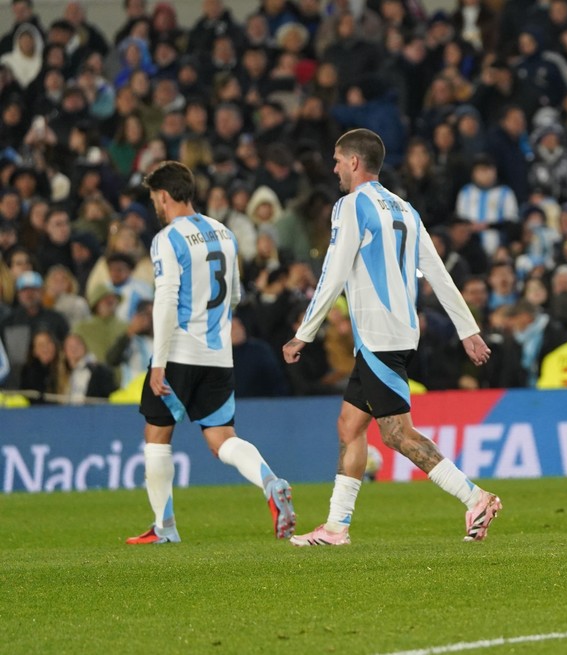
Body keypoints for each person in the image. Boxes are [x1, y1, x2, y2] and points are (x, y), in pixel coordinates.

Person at [282, 129, 497, 547]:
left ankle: (476, 498)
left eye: (338, 160)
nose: (334, 168)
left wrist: (303, 333)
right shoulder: (405, 209)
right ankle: (336, 527)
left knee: (397, 434)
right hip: (398, 332)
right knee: (349, 425)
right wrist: (467, 329)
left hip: (379, 334)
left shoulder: (349, 206)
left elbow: (333, 272)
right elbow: (438, 272)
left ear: (355, 163)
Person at [130, 161, 297, 545]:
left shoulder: (167, 238)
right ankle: (270, 481)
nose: (156, 204)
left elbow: (166, 300)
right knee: (223, 437)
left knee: (157, 436)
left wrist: (158, 362)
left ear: (165, 196)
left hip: (179, 353)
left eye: (155, 197)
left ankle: (164, 527)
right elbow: (235, 294)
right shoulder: (223, 232)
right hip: (219, 355)